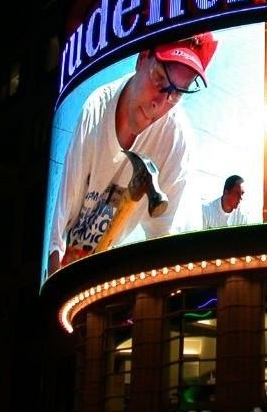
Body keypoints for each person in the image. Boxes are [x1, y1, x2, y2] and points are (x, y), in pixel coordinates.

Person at [47, 32, 218, 276]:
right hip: (65, 270)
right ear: (142, 57)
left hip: (104, 274)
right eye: (159, 78)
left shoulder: (176, 141)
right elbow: (59, 225)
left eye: (177, 93)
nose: (159, 103)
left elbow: (168, 246)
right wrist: (58, 281)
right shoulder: (96, 110)